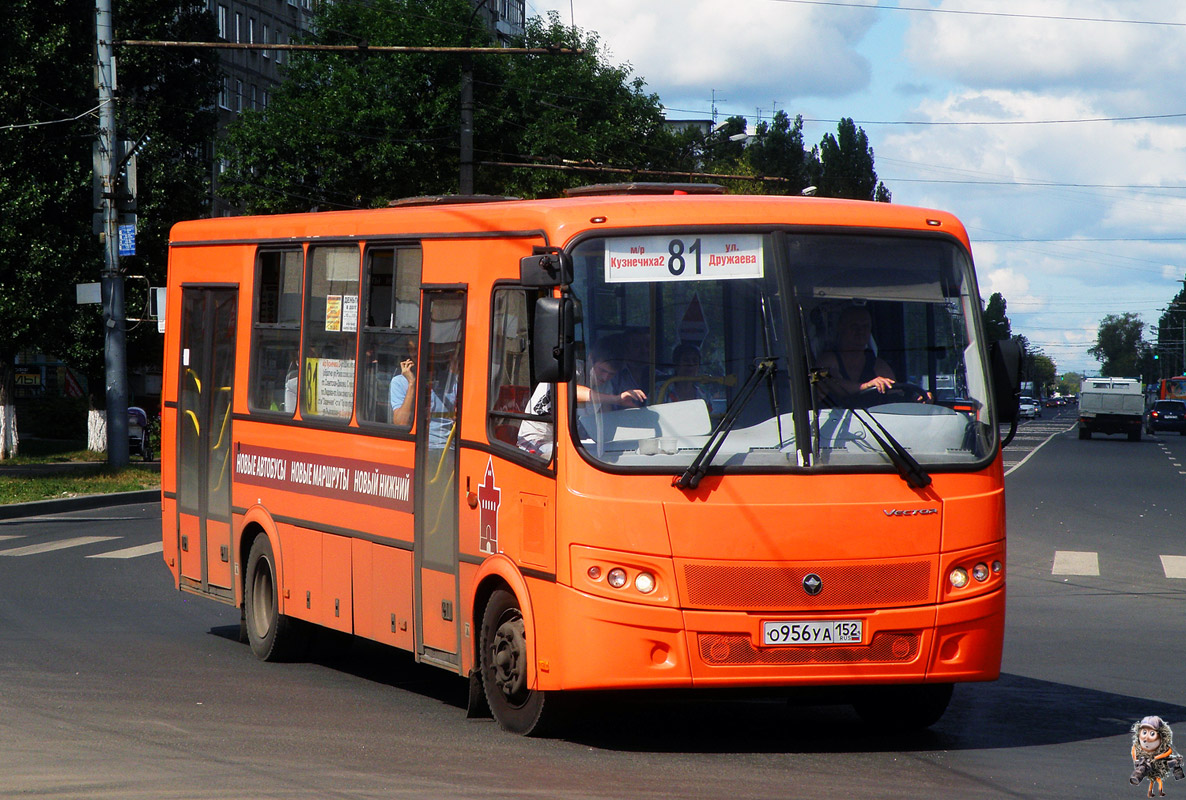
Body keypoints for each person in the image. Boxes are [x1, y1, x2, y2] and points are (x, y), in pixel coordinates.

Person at [517, 336, 647, 456]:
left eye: (611, 374)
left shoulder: (606, 386)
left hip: (568, 440)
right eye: (602, 370)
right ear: (590, 359)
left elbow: (605, 420)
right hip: (535, 439)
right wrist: (616, 399)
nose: (605, 377)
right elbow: (571, 392)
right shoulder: (572, 370)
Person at [816, 304, 898, 401]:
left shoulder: (878, 365)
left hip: (872, 416)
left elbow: (897, 393)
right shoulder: (827, 360)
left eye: (865, 326)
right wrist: (866, 386)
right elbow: (829, 383)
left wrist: (914, 398)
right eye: (854, 326)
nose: (861, 331)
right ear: (841, 328)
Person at [662, 342, 712, 408]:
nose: (691, 364)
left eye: (695, 361)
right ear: (676, 365)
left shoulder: (704, 396)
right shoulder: (662, 391)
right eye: (686, 360)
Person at [388, 337, 417, 425]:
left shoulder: (447, 377)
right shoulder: (399, 382)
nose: (415, 353)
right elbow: (401, 423)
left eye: (418, 348)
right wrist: (411, 383)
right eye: (412, 349)